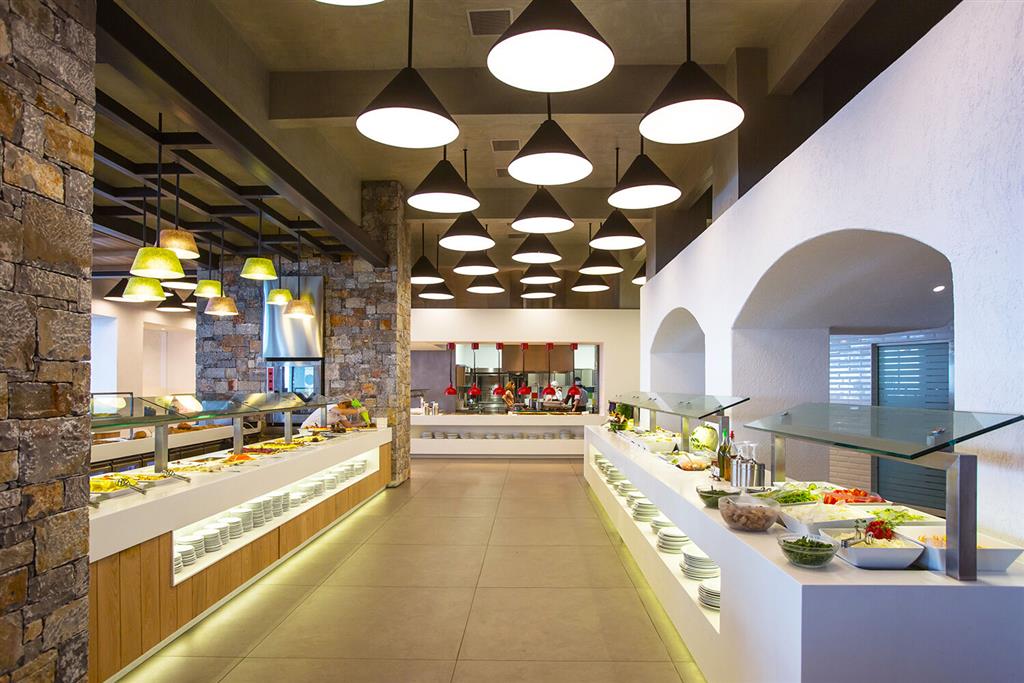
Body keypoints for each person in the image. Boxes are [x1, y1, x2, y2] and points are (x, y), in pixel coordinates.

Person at [301, 399, 371, 430]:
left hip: (319, 431)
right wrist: (359, 410)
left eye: (348, 408)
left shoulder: (341, 413)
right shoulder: (332, 406)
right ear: (341, 403)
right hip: (307, 429)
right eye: (346, 407)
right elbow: (341, 412)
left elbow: (348, 426)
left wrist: (362, 424)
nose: (346, 409)